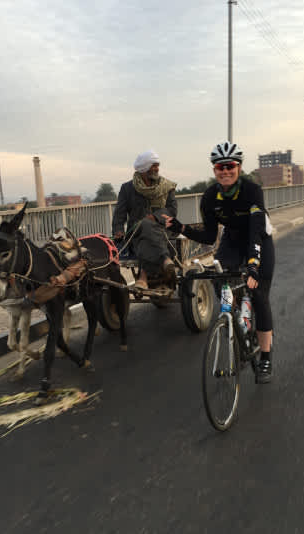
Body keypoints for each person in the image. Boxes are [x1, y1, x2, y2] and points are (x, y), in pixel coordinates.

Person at [163, 141, 275, 384]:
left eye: (230, 166)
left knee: (258, 293)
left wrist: (253, 264)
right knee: (219, 276)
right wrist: (180, 227)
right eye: (219, 167)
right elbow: (208, 236)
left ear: (239, 167)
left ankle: (265, 356)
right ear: (214, 170)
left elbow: (255, 230)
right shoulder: (209, 197)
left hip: (259, 240)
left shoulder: (252, 191)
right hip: (233, 241)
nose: (225, 171)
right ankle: (235, 316)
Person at [112, 150, 177, 289]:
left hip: (163, 231)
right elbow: (119, 214)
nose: (157, 169)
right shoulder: (127, 188)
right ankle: (165, 258)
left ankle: (143, 276)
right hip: (135, 233)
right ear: (143, 168)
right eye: (153, 165)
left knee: (146, 230)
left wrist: (156, 217)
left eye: (157, 165)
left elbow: (172, 210)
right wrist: (118, 230)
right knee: (145, 229)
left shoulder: (166, 186)